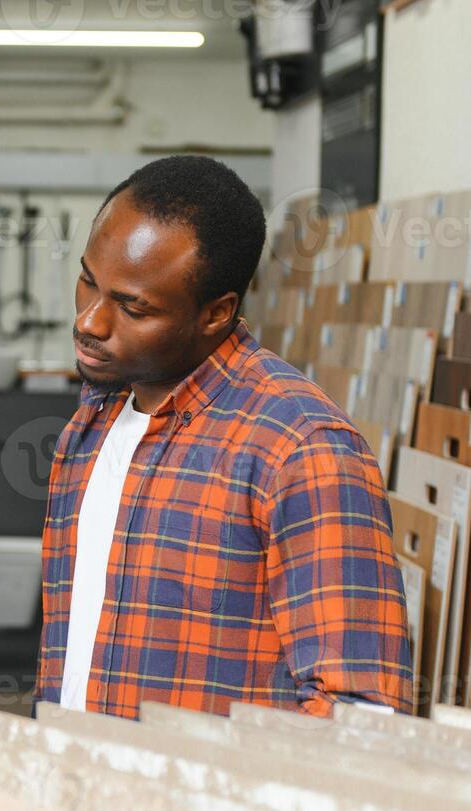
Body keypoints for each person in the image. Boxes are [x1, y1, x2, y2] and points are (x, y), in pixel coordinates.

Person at [38, 155, 413, 719]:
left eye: (132, 306)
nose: (90, 321)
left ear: (217, 313)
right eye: (89, 280)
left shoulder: (301, 449)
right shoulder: (93, 422)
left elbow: (360, 714)